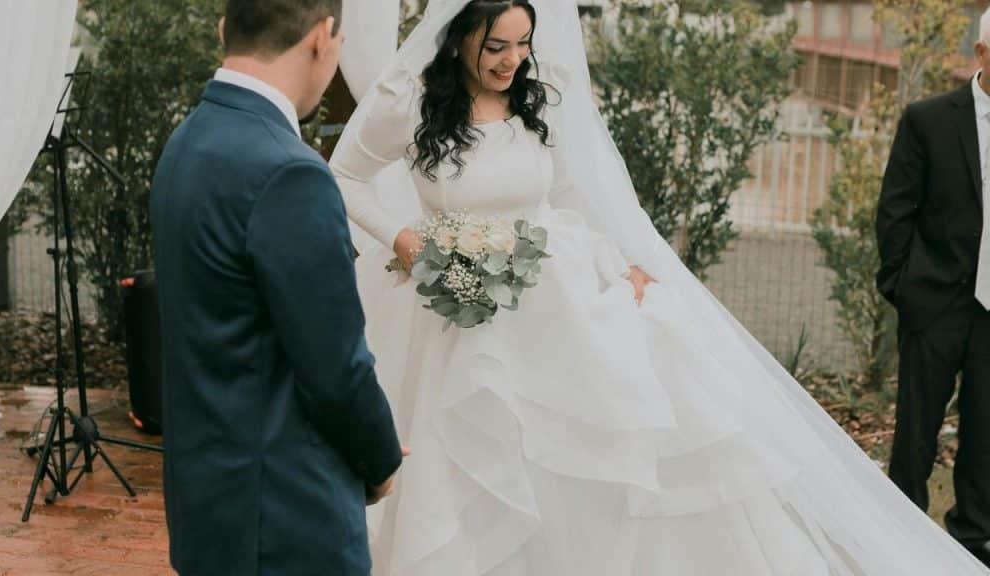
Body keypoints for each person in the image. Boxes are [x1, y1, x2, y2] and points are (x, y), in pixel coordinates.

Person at [331, 0, 990, 574]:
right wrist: (406, 238)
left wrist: (619, 260)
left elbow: (569, 192)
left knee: (589, 456)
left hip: (556, 293)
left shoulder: (540, 92)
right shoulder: (411, 99)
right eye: (495, 47)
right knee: (474, 461)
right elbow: (344, 176)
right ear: (457, 38)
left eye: (522, 43)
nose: (512, 60)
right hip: (457, 304)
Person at [150, 1, 404, 574]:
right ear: (321, 37)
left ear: (224, 29)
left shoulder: (186, 144)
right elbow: (336, 369)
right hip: (284, 518)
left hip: (209, 507)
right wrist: (381, 458)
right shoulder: (289, 172)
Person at [877, 6, 990, 568]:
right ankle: (900, 539)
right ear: (982, 54)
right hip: (935, 302)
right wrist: (902, 285)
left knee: (986, 439)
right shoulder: (929, 119)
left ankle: (969, 545)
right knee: (915, 436)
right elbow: (895, 210)